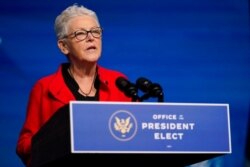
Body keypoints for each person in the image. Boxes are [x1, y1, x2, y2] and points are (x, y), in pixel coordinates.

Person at [16, 4, 132, 166]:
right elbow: (24, 146)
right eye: (80, 34)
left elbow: (135, 135)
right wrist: (55, 140)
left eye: (95, 31)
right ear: (64, 46)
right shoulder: (44, 87)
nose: (91, 38)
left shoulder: (119, 82)